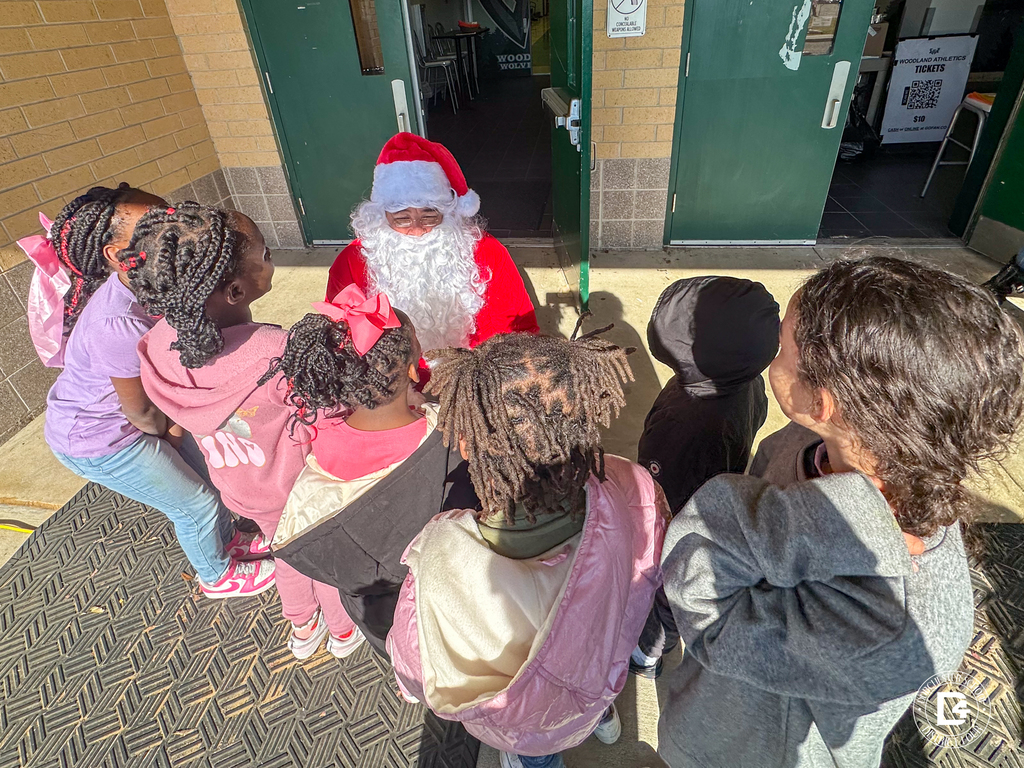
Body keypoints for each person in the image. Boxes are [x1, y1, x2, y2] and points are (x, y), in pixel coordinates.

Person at [657, 257, 1024, 768]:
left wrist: (833, 516)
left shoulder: (900, 628)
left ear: (823, 401)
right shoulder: (808, 442)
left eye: (782, 349)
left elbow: (700, 590)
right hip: (708, 714)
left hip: (747, 751)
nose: (770, 362)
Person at [388, 331, 669, 768]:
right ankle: (600, 720)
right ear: (586, 419)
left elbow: (415, 662)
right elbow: (646, 569)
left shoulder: (442, 552)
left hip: (528, 727)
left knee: (536, 756)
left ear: (468, 443)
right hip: (597, 683)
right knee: (583, 691)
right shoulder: (630, 486)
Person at [125, 203, 358, 659]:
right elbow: (332, 413)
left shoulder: (154, 347)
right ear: (235, 289)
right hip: (300, 488)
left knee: (286, 552)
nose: (271, 259)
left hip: (242, 490)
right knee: (325, 558)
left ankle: (301, 628)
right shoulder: (276, 350)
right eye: (267, 253)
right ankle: (343, 631)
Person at [42, 185, 273, 599]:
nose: (169, 231)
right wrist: (180, 433)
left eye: (169, 217)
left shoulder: (161, 285)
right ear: (117, 256)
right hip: (103, 438)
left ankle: (227, 541)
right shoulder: (118, 322)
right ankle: (216, 575)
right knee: (194, 502)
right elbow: (143, 415)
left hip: (147, 418)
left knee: (206, 479)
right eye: (152, 227)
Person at [264, 286, 472, 657]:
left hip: (382, 620)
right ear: (413, 368)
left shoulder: (319, 437)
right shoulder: (446, 436)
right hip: (444, 603)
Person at [631, 276, 780, 678]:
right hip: (713, 493)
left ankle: (646, 655)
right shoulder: (743, 379)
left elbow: (661, 491)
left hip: (678, 523)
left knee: (665, 593)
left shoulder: (685, 426)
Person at [326, 132, 539, 354]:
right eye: (402, 218)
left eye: (430, 216)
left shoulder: (486, 251)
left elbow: (516, 328)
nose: (417, 229)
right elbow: (340, 340)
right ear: (382, 216)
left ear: (448, 213)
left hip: (472, 367)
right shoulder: (352, 261)